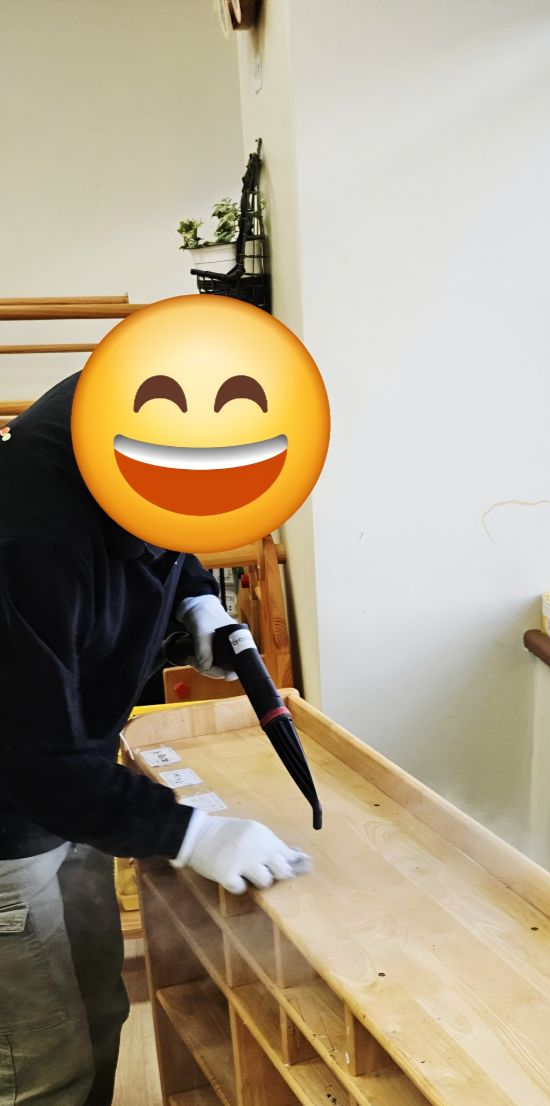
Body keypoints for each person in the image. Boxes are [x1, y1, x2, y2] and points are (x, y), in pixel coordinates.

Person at [0, 373, 310, 1106]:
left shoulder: (141, 427)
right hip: (11, 817)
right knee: (41, 1069)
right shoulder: (24, 542)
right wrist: (189, 833)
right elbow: (34, 758)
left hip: (75, 782)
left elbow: (165, 539)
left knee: (100, 1011)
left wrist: (196, 601)